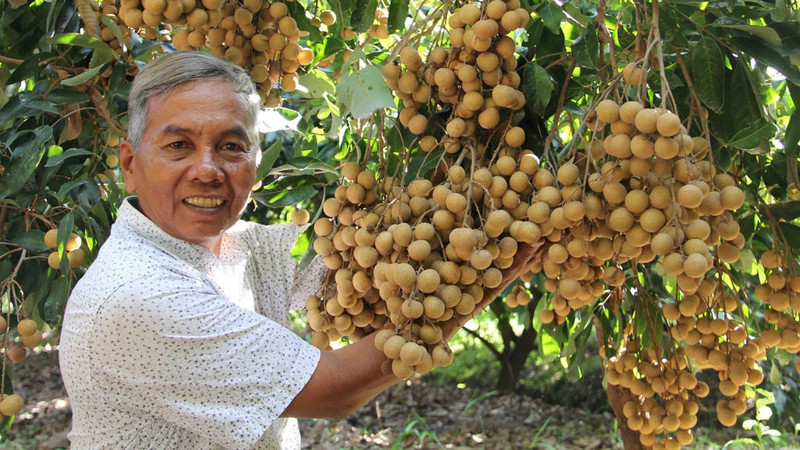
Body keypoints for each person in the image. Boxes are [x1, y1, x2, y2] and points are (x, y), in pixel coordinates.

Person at [59, 51, 539, 449]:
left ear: (256, 160)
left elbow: (355, 274)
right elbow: (336, 388)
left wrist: (444, 171)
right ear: (129, 162)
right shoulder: (139, 295)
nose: (207, 170)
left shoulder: (238, 247)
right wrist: (496, 272)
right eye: (179, 145)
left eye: (231, 146)